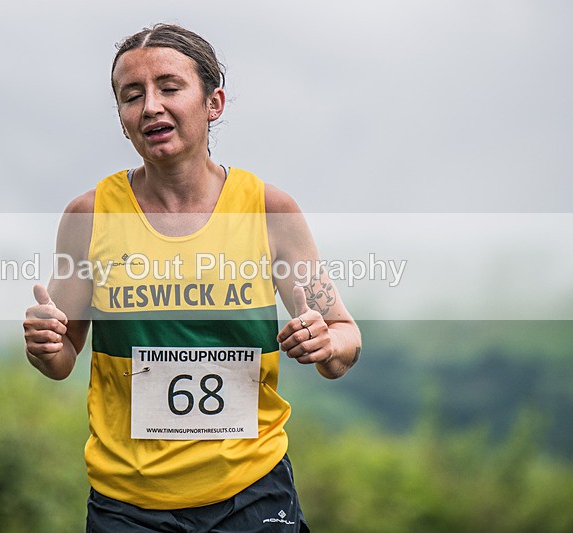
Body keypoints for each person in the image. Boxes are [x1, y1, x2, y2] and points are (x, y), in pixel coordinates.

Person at [23, 23, 361, 532]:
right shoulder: (89, 216)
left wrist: (326, 344)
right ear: (122, 120)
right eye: (131, 96)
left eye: (169, 87)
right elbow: (62, 357)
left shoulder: (268, 209)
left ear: (213, 103)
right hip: (127, 503)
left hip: (251, 491)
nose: (150, 107)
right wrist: (46, 346)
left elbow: (344, 335)